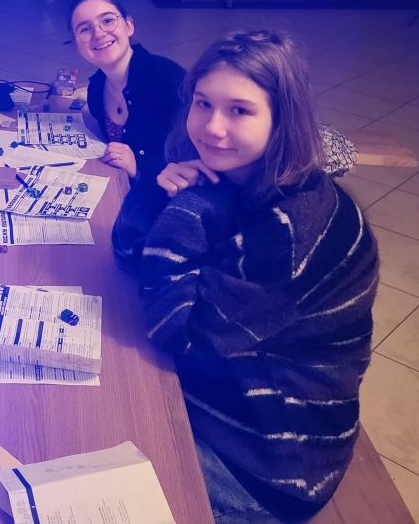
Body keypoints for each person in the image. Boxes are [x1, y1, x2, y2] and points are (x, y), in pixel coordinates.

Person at [114, 31, 378, 522]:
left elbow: (177, 329)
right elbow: (128, 256)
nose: (213, 127)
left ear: (283, 120)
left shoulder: (295, 227)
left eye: (240, 110)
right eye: (203, 103)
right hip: (224, 399)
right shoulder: (235, 176)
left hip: (268, 464)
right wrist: (154, 192)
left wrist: (186, 207)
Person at [69, 0, 185, 184]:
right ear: (77, 46)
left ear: (129, 26)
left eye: (107, 20)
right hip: (120, 183)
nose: (99, 33)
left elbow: (196, 159)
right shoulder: (96, 88)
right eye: (85, 29)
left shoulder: (169, 80)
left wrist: (140, 165)